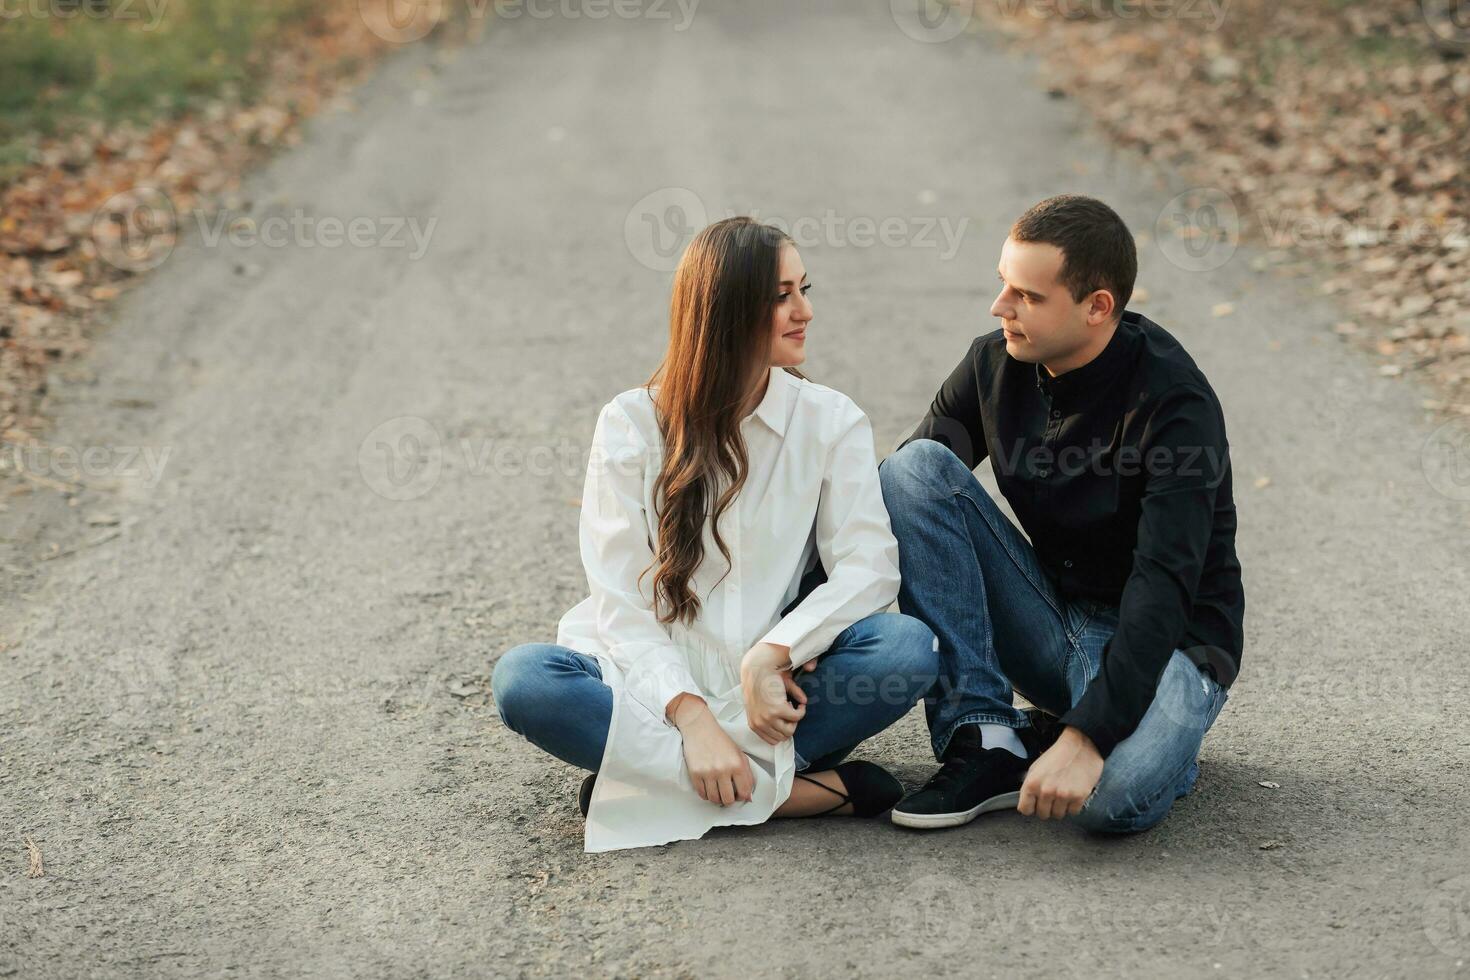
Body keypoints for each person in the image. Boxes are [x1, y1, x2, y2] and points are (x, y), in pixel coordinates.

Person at [492, 216, 940, 853]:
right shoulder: (630, 424)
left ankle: (644, 781)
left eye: (805, 289)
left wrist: (773, 653)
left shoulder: (831, 421)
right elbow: (621, 600)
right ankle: (794, 793)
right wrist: (693, 718)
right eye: (781, 296)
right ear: (726, 311)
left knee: (905, 649)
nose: (805, 311)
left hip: (773, 698)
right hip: (653, 695)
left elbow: (868, 569)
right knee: (526, 680)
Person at [879, 194, 1245, 833]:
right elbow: (900, 503)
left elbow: (1163, 591)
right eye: (1003, 286)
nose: (1001, 309)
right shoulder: (994, 364)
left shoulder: (1174, 407)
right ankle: (987, 736)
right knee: (912, 471)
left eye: (1028, 296)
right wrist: (794, 636)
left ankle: (1120, 735)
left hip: (1170, 644)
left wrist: (1087, 739)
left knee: (1112, 803)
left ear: (1097, 306)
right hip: (1052, 616)